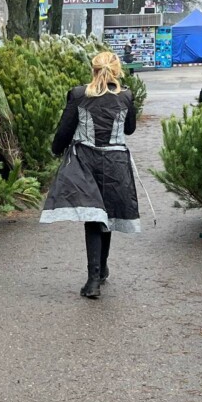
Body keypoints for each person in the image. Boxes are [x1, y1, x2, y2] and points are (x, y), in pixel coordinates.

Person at [39, 50, 140, 299]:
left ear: (93, 69)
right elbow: (129, 129)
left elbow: (65, 129)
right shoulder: (126, 95)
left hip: (86, 158)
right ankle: (101, 269)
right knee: (106, 215)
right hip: (115, 161)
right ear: (117, 70)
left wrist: (56, 150)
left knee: (94, 216)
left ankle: (94, 279)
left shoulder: (78, 94)